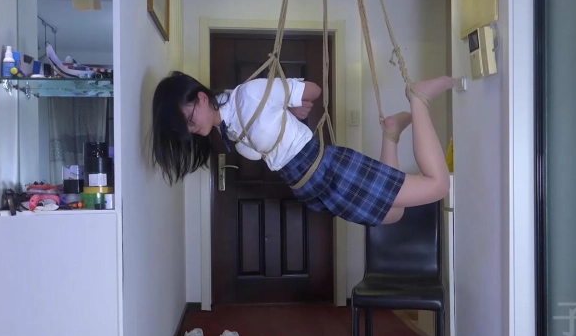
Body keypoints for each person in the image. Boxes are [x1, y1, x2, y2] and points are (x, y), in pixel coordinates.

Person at [150, 71, 455, 226]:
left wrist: (291, 101)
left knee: (438, 186)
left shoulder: (251, 95)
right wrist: (284, 112)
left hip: (327, 170)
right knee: (392, 214)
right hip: (309, 187)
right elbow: (267, 140)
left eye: (189, 119)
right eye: (185, 128)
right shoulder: (227, 126)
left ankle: (418, 99)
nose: (191, 129)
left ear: (201, 98)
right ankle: (391, 132)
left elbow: (313, 90)